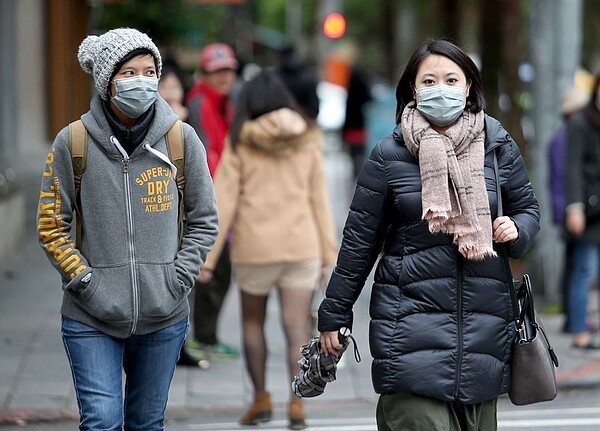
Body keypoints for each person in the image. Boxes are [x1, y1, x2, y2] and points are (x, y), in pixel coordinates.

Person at [318, 39, 540, 431]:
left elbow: (528, 208)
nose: (442, 89)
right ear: (414, 90)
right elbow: (359, 242)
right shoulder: (389, 154)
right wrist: (334, 313)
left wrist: (517, 229)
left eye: (452, 79)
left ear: (469, 86)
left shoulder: (496, 146)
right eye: (431, 80)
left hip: (483, 336)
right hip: (408, 330)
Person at [36, 28, 218, 430]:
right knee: (101, 421)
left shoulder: (180, 140)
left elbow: (204, 219)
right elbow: (51, 225)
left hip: (163, 314)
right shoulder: (73, 141)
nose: (142, 80)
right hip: (91, 316)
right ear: (107, 81)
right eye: (129, 72)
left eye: (149, 71)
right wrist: (84, 281)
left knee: (145, 423)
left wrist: (178, 278)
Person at [200, 69, 338, 430]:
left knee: (251, 324)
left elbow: (223, 202)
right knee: (296, 329)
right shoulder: (308, 139)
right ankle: (297, 404)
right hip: (301, 245)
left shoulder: (240, 142)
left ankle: (260, 399)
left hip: (254, 247)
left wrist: (208, 258)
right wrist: (330, 256)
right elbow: (319, 201)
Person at [185, 42, 239, 361]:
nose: (224, 77)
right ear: (204, 74)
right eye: (217, 72)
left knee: (221, 271)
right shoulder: (199, 104)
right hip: (210, 198)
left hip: (225, 197)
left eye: (228, 70)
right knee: (209, 271)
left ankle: (207, 336)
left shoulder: (227, 103)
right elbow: (204, 153)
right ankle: (202, 337)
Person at [547, 85, 591, 333]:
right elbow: (563, 178)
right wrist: (570, 211)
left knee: (574, 265)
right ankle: (575, 319)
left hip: (566, 210)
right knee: (579, 267)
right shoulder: (567, 138)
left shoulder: (561, 137)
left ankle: (572, 315)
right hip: (571, 211)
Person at [565, 71, 600, 349]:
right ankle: (578, 330)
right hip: (589, 211)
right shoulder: (580, 122)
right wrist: (574, 206)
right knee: (585, 270)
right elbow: (572, 168)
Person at [341, 67, 373, 178]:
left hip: (351, 131)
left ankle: (356, 173)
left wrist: (343, 132)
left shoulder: (350, 93)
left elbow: (347, 114)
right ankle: (363, 173)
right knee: (363, 155)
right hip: (363, 130)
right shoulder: (366, 92)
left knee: (354, 156)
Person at [276, 43, 320, 121]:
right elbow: (314, 109)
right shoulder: (308, 75)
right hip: (304, 124)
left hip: (279, 124)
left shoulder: (275, 77)